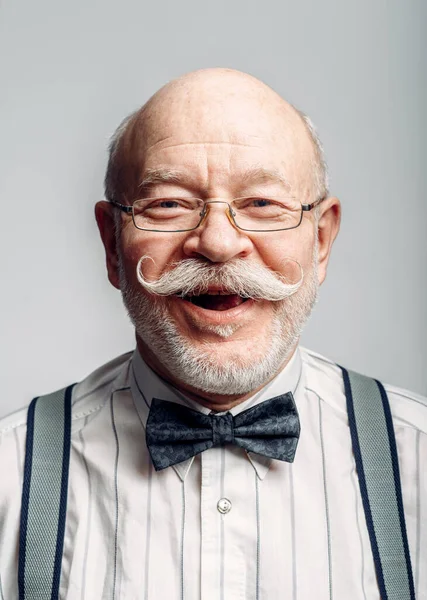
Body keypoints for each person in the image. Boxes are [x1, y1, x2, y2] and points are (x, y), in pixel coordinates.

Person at [0, 68, 425, 600]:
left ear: (320, 241)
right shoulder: (8, 475)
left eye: (262, 204)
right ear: (112, 243)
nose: (219, 243)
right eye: (169, 204)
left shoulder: (419, 462)